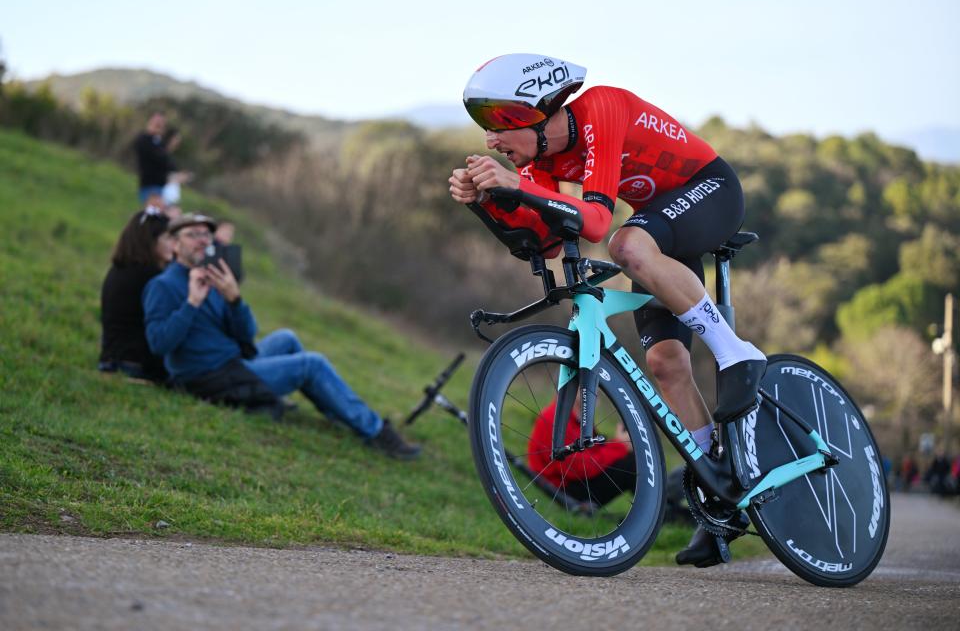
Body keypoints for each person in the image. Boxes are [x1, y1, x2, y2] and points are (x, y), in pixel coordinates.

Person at [448, 53, 764, 567]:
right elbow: (549, 243)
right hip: (659, 225)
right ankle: (717, 497)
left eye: (499, 121)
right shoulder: (539, 163)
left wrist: (515, 184)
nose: (490, 139)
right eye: (483, 124)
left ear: (538, 109)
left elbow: (595, 223)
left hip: (708, 191)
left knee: (625, 246)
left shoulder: (600, 109)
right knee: (665, 364)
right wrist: (488, 202)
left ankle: (736, 353)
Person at [142, 213, 420, 460]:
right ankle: (376, 432)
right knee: (312, 363)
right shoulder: (162, 286)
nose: (202, 240)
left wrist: (234, 299)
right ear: (175, 244)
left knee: (286, 338)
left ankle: (340, 413)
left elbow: (247, 336)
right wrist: (191, 304)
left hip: (233, 363)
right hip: (207, 377)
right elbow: (159, 344)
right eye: (193, 235)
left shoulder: (211, 278)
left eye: (206, 234)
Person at [99, 207, 175, 382]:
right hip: (135, 365)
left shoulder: (120, 269)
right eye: (168, 238)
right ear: (150, 240)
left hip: (111, 360)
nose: (174, 244)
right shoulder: (151, 276)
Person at [527, 399, 636, 506]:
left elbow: (592, 450)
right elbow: (577, 468)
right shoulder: (554, 417)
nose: (596, 391)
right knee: (633, 464)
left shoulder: (576, 417)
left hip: (574, 479)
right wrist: (620, 445)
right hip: (563, 489)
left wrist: (618, 444)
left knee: (634, 459)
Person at [134, 112, 190, 208]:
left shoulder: (158, 142)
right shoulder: (144, 140)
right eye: (157, 123)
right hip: (151, 186)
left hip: (161, 186)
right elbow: (157, 161)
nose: (159, 126)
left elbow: (166, 162)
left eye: (161, 124)